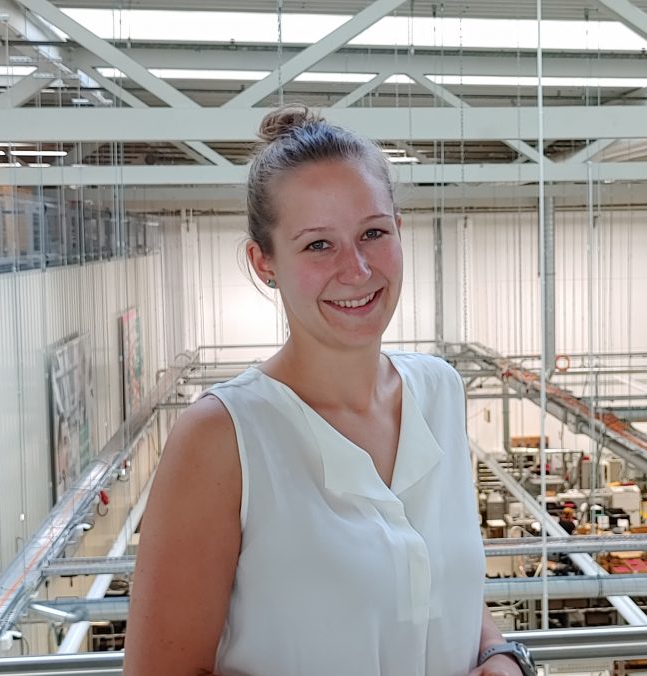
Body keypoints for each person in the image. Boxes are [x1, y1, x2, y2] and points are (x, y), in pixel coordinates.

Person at [124, 106, 532, 676]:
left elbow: (425, 583)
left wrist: (499, 653)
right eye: (319, 245)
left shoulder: (440, 394)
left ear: (399, 230)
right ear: (264, 263)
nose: (358, 268)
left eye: (373, 233)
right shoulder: (224, 437)